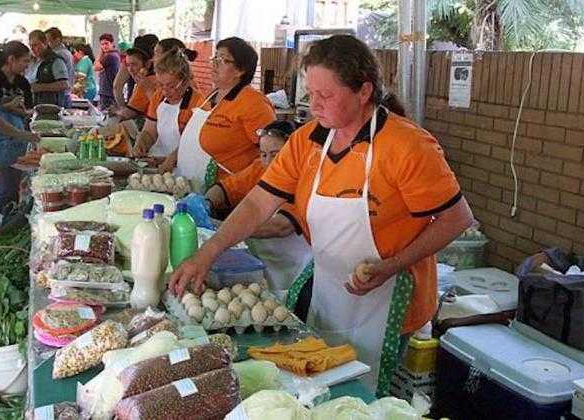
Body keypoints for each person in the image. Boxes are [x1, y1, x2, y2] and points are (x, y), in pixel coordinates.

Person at [171, 35, 475, 392]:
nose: (314, 105)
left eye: (325, 95)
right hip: (330, 288)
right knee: (321, 391)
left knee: (366, 398)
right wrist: (209, 251)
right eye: (310, 94)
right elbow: (257, 202)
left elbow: (457, 218)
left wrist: (393, 264)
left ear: (363, 91)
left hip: (390, 297)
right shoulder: (309, 140)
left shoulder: (406, 146)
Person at [205, 120, 311, 300]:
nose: (268, 162)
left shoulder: (303, 182)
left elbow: (280, 227)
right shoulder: (259, 168)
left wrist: (222, 228)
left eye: (275, 155)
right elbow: (227, 188)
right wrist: (206, 202)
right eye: (263, 154)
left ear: (292, 154)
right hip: (255, 261)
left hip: (286, 268)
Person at [173, 36, 275, 192]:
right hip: (191, 187)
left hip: (227, 196)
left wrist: (229, 188)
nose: (214, 63)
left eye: (223, 60)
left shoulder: (253, 103)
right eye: (215, 57)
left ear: (241, 70)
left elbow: (272, 158)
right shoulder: (210, 96)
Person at [0, 41, 34, 215]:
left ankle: (7, 220)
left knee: (13, 187)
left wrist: (22, 112)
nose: (27, 65)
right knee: (3, 188)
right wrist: (6, 107)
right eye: (24, 61)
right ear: (11, 59)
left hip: (17, 139)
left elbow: (28, 107)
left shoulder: (22, 82)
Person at [131, 49, 204, 172]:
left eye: (171, 86)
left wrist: (171, 159)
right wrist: (141, 142)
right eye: (160, 85)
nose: (165, 91)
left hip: (185, 168)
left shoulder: (198, 104)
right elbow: (149, 131)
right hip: (158, 162)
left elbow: (194, 146)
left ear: (185, 81)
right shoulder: (159, 97)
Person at [113, 34, 158, 109]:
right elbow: (116, 86)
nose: (130, 69)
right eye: (129, 65)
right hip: (137, 106)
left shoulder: (156, 66)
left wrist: (123, 108)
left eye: (134, 64)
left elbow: (117, 86)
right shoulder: (157, 63)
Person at [27, 30, 71, 107]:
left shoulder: (56, 61)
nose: (33, 48)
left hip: (51, 108)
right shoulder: (33, 61)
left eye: (36, 45)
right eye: (31, 46)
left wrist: (40, 87)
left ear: (45, 43)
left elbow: (64, 84)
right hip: (35, 106)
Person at [45, 27, 75, 106]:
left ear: (57, 40)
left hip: (60, 95)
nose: (46, 44)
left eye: (48, 40)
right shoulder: (67, 52)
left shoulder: (58, 55)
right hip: (66, 94)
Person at [94, 33, 119, 110]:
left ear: (112, 43)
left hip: (108, 93)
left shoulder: (110, 56)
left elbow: (96, 67)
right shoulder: (112, 55)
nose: (104, 46)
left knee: (105, 115)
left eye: (106, 43)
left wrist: (101, 52)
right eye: (102, 44)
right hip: (107, 92)